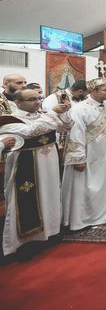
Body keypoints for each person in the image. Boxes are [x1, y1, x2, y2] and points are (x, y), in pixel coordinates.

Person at [1, 88, 73, 256]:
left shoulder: (44, 114)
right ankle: (28, 241)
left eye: (38, 98)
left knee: (51, 195)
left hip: (49, 161)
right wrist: (51, 116)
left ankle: (51, 232)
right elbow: (30, 131)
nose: (38, 101)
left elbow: (66, 127)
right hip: (27, 164)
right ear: (18, 102)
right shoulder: (8, 120)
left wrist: (63, 113)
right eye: (32, 99)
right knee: (29, 199)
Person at [63, 78, 106, 230]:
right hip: (88, 152)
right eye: (104, 90)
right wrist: (78, 158)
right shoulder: (80, 109)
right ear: (93, 91)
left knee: (104, 182)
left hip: (105, 152)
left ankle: (104, 213)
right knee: (84, 185)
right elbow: (76, 133)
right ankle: (82, 219)